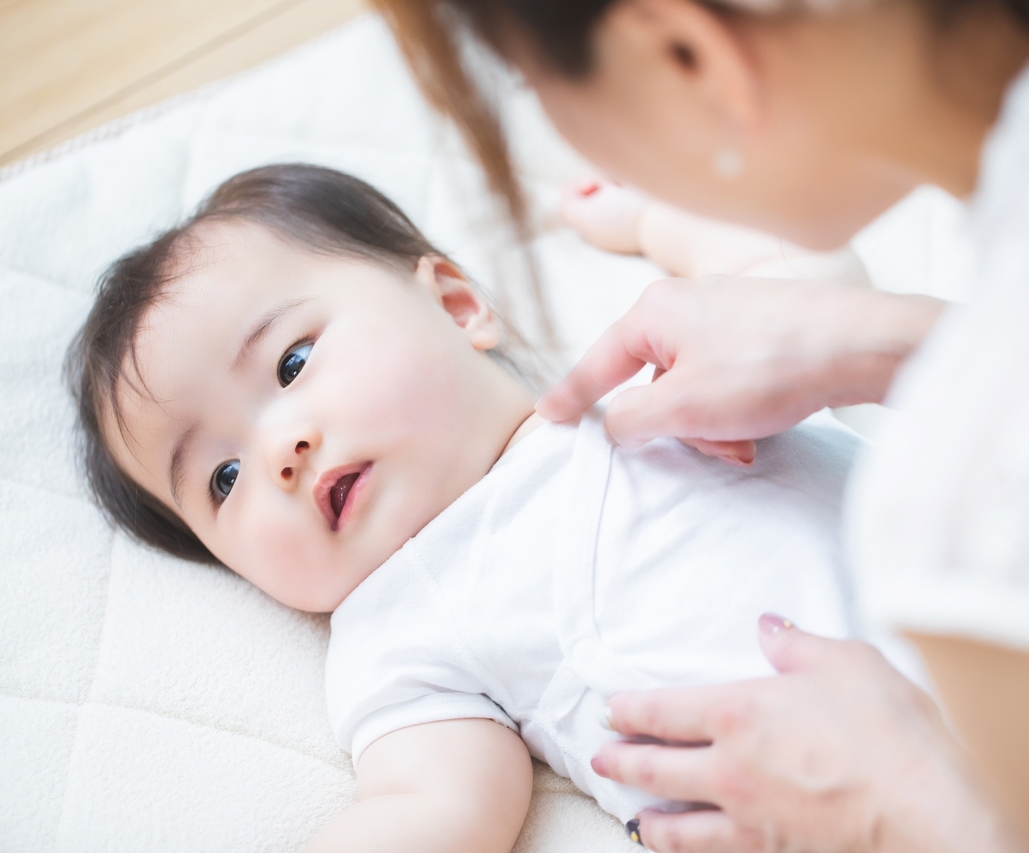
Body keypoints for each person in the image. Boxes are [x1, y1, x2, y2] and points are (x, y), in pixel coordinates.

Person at [379, 0, 1029, 850]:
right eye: (230, 480)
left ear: (685, 53)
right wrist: (881, 336)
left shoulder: (973, 530)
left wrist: (913, 812)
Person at [67, 163, 901, 852]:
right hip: (856, 804)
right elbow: (427, 806)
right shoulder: (401, 628)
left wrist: (657, 220)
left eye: (292, 363)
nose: (279, 451)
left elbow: (790, 286)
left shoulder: (635, 382)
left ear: (457, 306)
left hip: (990, 588)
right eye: (221, 478)